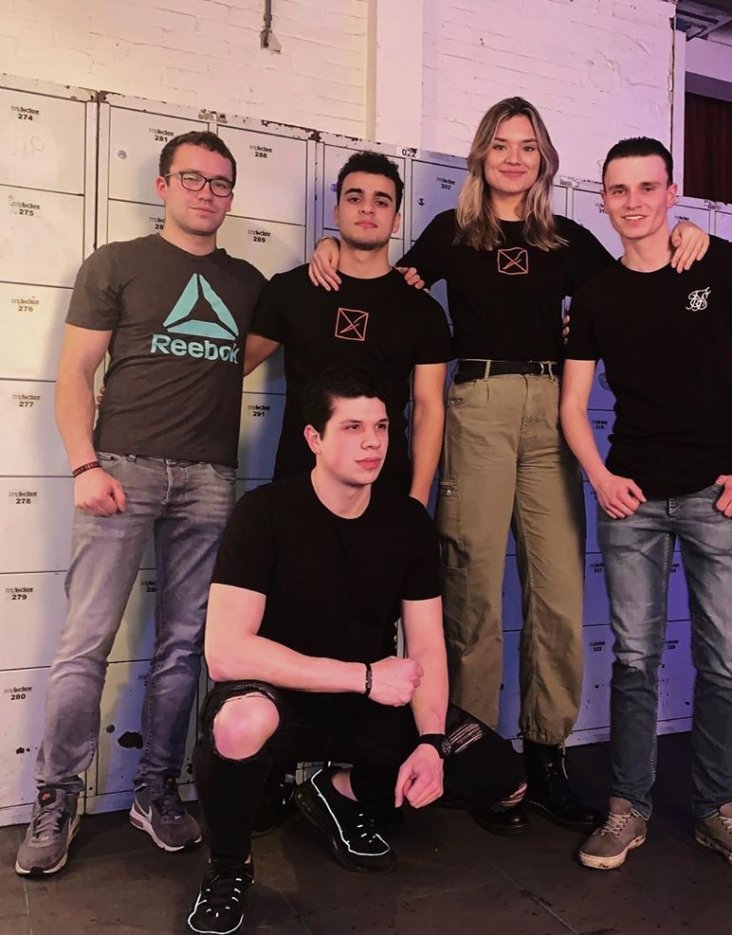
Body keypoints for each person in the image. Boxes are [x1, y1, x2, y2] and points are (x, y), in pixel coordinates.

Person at [309, 97, 709, 833]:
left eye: (527, 146)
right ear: (482, 156)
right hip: (479, 404)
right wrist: (332, 248)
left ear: (543, 158)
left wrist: (684, 231)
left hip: (555, 411)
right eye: (501, 145)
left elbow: (638, 276)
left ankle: (547, 757)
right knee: (474, 590)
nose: (514, 158)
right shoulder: (452, 231)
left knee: (558, 592)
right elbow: (385, 282)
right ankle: (476, 757)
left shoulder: (569, 240)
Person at [184, 366, 524, 935]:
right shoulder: (264, 513)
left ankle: (336, 790)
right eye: (352, 427)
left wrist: (431, 743)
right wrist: (362, 676)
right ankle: (229, 866)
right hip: (282, 699)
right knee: (239, 723)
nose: (372, 442)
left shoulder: (407, 523)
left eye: (382, 427)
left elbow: (426, 646)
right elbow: (225, 653)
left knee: (501, 778)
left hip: (366, 704)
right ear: (313, 438)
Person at [15, 132, 265, 877]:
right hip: (120, 470)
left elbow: (249, 350)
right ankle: (57, 794)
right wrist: (83, 463)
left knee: (184, 646)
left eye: (221, 183)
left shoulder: (248, 282)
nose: (207, 193)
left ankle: (155, 789)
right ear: (163, 185)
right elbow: (75, 372)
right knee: (85, 642)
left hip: (210, 479)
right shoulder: (117, 263)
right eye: (193, 179)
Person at [560, 137, 732, 875]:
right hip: (633, 500)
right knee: (634, 660)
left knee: (724, 660)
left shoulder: (725, 265)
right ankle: (628, 808)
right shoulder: (595, 294)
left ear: (671, 191)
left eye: (647, 187)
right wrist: (599, 475)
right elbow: (572, 405)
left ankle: (719, 810)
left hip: (721, 494)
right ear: (603, 199)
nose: (634, 202)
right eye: (619, 190)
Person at [245, 150, 451, 504]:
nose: (367, 209)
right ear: (336, 212)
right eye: (355, 198)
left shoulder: (423, 310)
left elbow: (429, 408)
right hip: (298, 485)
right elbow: (235, 366)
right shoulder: (290, 290)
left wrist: (417, 499)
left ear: (396, 220)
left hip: (385, 490)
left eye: (381, 201)